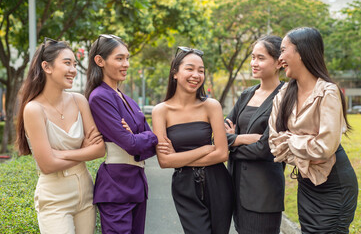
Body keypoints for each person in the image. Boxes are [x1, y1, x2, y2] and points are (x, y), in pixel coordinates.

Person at [269, 27, 358, 233]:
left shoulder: (328, 91)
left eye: (283, 50)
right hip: (307, 183)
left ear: (302, 52)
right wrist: (308, 148)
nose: (279, 57)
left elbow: (324, 148)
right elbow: (274, 144)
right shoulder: (283, 93)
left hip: (334, 183)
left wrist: (290, 141)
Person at [16, 38, 105, 233]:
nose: (73, 69)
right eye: (67, 63)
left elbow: (99, 149)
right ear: (46, 67)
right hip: (54, 199)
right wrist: (83, 151)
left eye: (74, 64)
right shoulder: (34, 109)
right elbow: (47, 165)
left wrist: (61, 154)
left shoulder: (80, 101)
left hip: (85, 192)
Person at [152, 46, 233, 234]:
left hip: (218, 182)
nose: (196, 75)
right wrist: (205, 149)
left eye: (201, 70)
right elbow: (164, 161)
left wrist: (179, 158)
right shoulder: (161, 111)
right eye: (190, 68)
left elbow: (222, 153)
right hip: (184, 186)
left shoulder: (211, 106)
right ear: (175, 73)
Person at [85, 34, 158, 234]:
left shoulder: (126, 99)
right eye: (119, 58)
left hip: (136, 183)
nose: (126, 64)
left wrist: (142, 138)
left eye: (127, 58)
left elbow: (148, 146)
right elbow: (133, 144)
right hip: (116, 188)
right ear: (99, 61)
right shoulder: (99, 97)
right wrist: (148, 137)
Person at [224, 35, 285, 234]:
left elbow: (266, 149)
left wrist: (231, 145)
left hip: (263, 194)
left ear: (278, 62)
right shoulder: (247, 94)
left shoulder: (285, 96)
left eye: (260, 58)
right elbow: (220, 135)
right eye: (252, 57)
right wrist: (241, 139)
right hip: (236, 189)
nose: (253, 63)